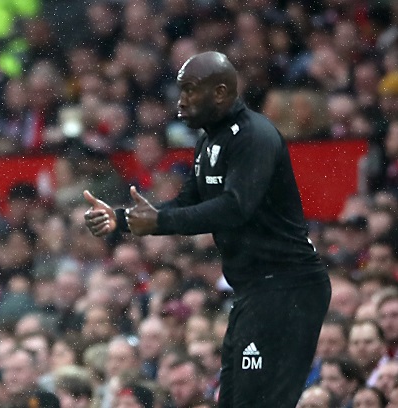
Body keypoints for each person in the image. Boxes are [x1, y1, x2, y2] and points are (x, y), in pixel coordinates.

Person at [84, 51, 331, 407]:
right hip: (254, 290)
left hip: (287, 288)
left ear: (220, 92)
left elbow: (235, 207)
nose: (181, 99)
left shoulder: (254, 136)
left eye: (190, 90)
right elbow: (186, 203)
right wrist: (120, 219)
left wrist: (160, 221)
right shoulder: (208, 141)